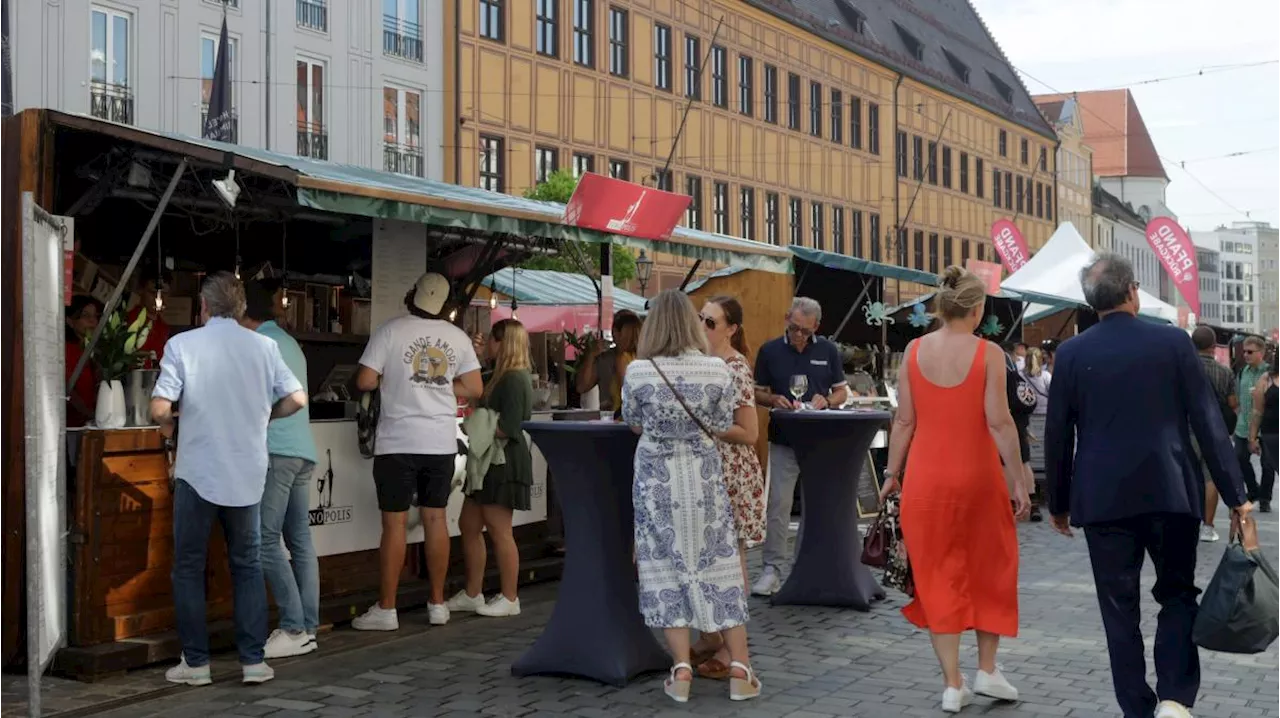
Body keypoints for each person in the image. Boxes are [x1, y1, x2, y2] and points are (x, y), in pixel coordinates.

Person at [1044, 254, 1250, 718]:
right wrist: (1237, 496)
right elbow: (1208, 421)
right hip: (1171, 490)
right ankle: (1175, 698)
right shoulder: (1172, 343)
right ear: (1132, 291)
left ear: (1092, 303)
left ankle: (1136, 707)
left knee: (1118, 608)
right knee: (1177, 593)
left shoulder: (1073, 353)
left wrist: (1057, 502)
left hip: (1103, 500)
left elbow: (1059, 434)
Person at [878, 266, 1028, 713]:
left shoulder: (914, 351)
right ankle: (987, 668)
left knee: (937, 574)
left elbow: (903, 421)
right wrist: (1018, 478)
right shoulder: (989, 355)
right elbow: (1000, 423)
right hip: (978, 478)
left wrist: (890, 473)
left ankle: (951, 683)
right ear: (979, 310)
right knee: (991, 566)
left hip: (925, 478)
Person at [150, 272, 308, 687]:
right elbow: (297, 398)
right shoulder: (265, 346)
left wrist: (174, 420)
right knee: (248, 566)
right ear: (240, 308)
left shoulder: (182, 345)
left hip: (198, 472)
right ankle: (253, 661)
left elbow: (159, 408)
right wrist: (267, 414)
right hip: (247, 473)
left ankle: (197, 664)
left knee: (188, 567)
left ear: (203, 307)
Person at [622, 289, 760, 703]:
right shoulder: (717, 371)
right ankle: (740, 667)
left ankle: (680, 671)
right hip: (703, 482)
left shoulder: (639, 372)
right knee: (719, 569)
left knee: (665, 570)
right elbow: (720, 424)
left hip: (656, 484)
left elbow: (633, 423)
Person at [353, 272, 482, 630]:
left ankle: (388, 609)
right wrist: (440, 383)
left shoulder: (390, 331)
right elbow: (474, 387)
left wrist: (391, 379)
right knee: (436, 519)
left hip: (396, 442)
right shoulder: (457, 338)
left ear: (412, 296)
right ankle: (438, 604)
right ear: (444, 305)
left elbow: (364, 380)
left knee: (393, 523)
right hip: (439, 442)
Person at [240, 280, 320, 659]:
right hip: (303, 449)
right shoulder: (289, 341)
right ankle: (308, 627)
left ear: (243, 313)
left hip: (276, 450)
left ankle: (293, 627)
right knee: (300, 540)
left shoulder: (258, 345)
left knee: (266, 539)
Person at [750, 297, 848, 596]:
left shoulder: (828, 350)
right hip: (784, 438)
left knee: (816, 506)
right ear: (786, 319)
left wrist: (828, 401)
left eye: (805, 331)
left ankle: (807, 566)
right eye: (794, 328)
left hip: (820, 441)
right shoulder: (769, 350)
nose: (798, 336)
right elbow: (756, 392)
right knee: (778, 505)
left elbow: (842, 392)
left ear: (816, 327)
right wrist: (772, 400)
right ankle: (772, 569)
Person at [689, 296, 765, 679]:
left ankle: (728, 647)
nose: (702, 327)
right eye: (700, 319)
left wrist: (704, 426)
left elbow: (750, 432)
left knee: (729, 564)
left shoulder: (735, 367)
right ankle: (712, 637)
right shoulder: (702, 363)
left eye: (711, 322)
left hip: (730, 475)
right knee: (704, 558)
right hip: (706, 471)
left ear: (731, 329)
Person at [449, 318, 534, 618]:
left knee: (500, 530)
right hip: (487, 462)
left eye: (492, 342)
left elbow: (509, 427)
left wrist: (476, 424)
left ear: (503, 343)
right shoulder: (505, 375)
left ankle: (510, 596)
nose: (488, 347)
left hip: (502, 461)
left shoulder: (513, 379)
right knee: (469, 525)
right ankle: (473, 593)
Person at [1191, 326, 1238, 540]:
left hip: (1188, 430)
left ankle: (1189, 520)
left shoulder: (1184, 369)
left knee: (1188, 475)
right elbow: (1233, 403)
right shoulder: (1225, 372)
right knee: (1211, 479)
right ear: (1213, 346)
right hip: (1214, 430)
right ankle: (1207, 526)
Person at [576, 310, 642, 413]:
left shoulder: (642, 358)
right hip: (624, 418)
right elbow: (582, 387)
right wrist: (591, 355)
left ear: (615, 332)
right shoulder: (605, 359)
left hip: (619, 418)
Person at [1233, 335, 1270, 506]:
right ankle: (1253, 489)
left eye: (1250, 352)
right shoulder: (1242, 372)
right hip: (1243, 426)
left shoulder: (1269, 373)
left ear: (1261, 353)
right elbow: (1237, 398)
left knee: (1268, 465)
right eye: (1244, 351)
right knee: (1239, 458)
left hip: (1266, 427)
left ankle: (1265, 497)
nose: (1246, 355)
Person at [66, 295, 103, 427]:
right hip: (73, 424)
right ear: (70, 321)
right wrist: (89, 414)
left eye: (95, 316)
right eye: (85, 316)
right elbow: (67, 390)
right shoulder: (66, 350)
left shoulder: (97, 350)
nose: (92, 321)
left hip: (93, 422)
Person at [1247, 364, 1280, 514]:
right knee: (1267, 466)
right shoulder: (1267, 379)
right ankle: (1264, 499)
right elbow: (1257, 411)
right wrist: (1252, 437)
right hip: (1270, 433)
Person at [1022, 347, 1050, 522]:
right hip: (1046, 417)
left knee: (1030, 458)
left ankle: (1032, 493)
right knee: (1044, 454)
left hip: (1029, 417)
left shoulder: (1020, 375)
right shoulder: (1046, 376)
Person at [129, 272, 171, 366]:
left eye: (164, 293)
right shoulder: (128, 323)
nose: (159, 298)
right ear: (141, 290)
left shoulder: (164, 328)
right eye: (153, 293)